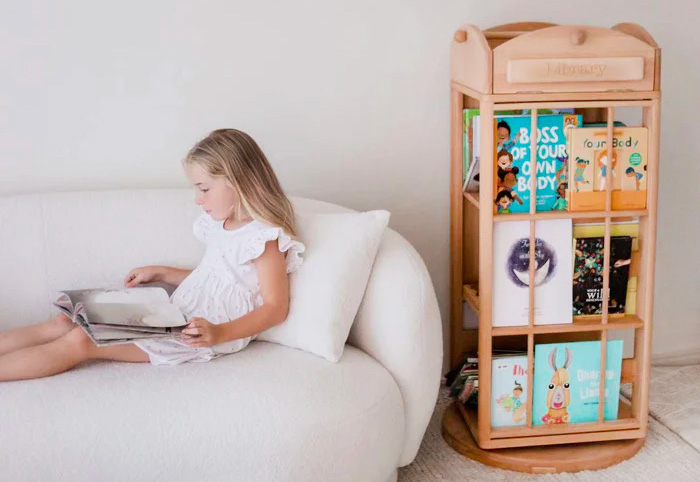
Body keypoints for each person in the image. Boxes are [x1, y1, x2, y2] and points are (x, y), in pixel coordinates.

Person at [0, 129, 305, 381]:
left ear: (237, 182)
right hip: (176, 313)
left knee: (81, 340)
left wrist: (219, 332)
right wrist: (164, 273)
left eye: (204, 189)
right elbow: (216, 280)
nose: (198, 199)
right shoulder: (221, 225)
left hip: (199, 334)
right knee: (66, 321)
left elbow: (275, 307)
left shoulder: (263, 238)